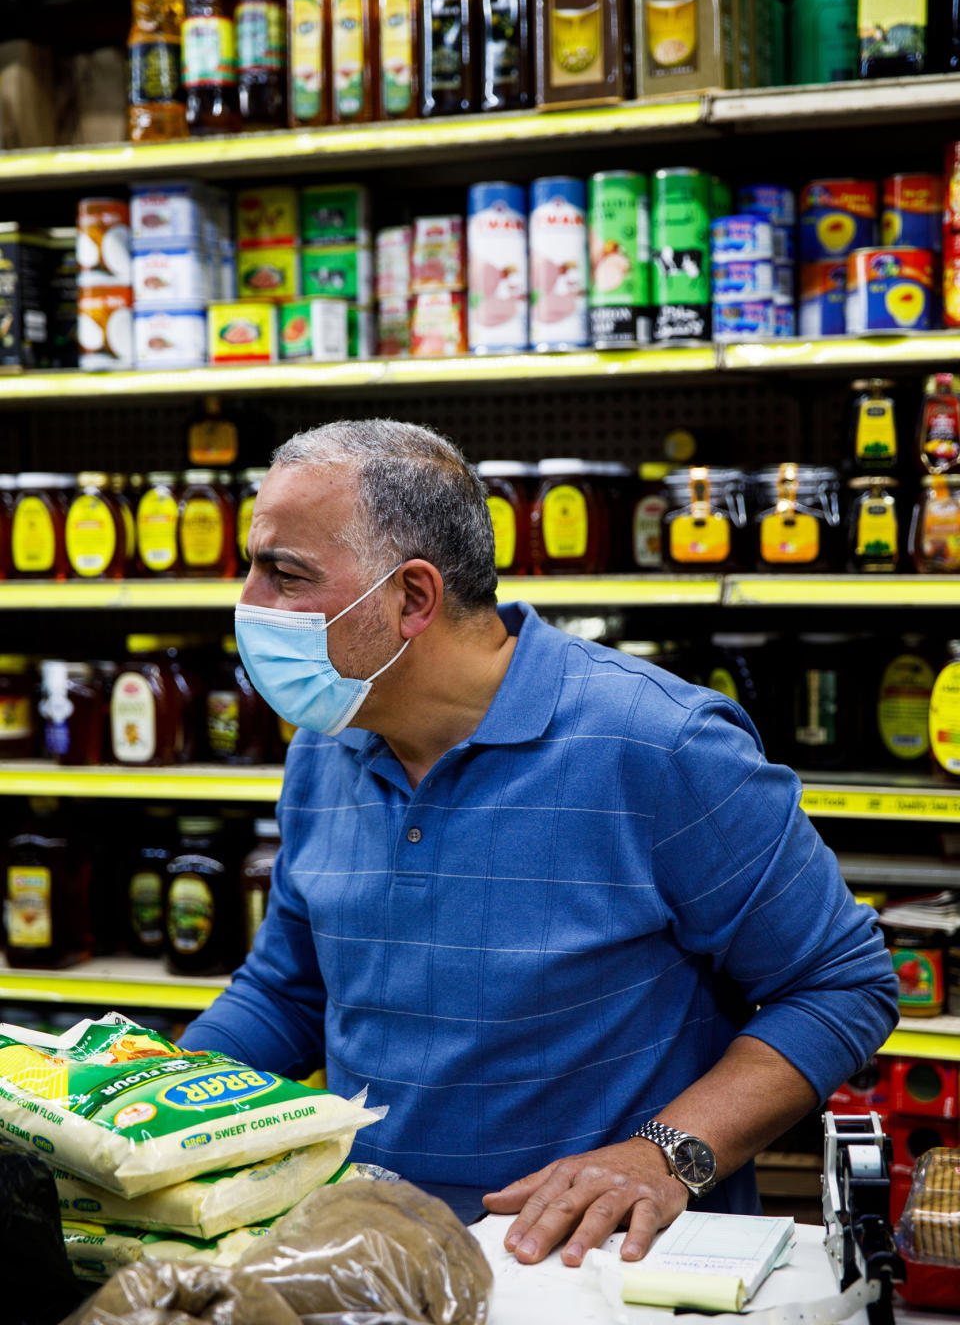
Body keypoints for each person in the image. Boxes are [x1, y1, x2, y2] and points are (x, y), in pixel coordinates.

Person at [180, 417, 899, 1268]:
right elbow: (289, 990)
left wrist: (664, 1154)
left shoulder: (658, 744)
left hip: (591, 1272)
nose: (248, 604)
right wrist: (141, 1095)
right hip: (372, 1253)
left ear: (412, 598)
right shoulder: (329, 741)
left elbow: (839, 983)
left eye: (283, 574)